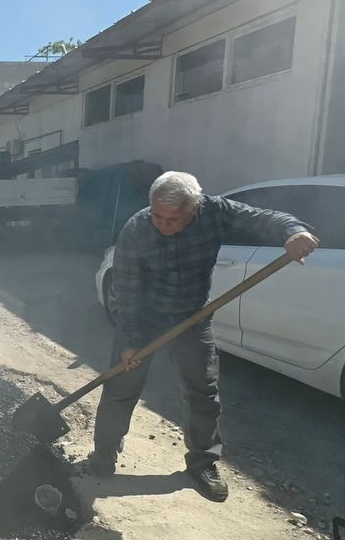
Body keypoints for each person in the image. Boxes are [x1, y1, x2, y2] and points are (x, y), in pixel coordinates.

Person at [94, 171, 318, 502]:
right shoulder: (137, 229)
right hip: (146, 317)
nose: (164, 224)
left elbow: (265, 218)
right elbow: (127, 289)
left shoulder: (216, 212)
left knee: (202, 391)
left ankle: (203, 462)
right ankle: (104, 452)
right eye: (158, 215)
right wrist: (130, 341)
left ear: (195, 208)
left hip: (192, 316)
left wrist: (294, 231)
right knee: (121, 387)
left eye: (174, 219)